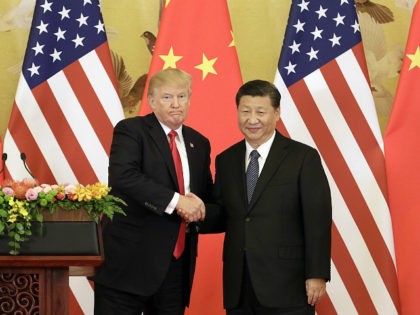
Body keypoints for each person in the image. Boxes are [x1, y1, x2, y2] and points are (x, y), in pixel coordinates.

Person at [197, 80, 332, 315]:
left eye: (261, 112)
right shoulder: (226, 159)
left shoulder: (303, 158)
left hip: (288, 284)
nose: (252, 120)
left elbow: (317, 220)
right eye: (245, 111)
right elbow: (223, 214)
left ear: (277, 113)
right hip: (239, 285)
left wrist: (317, 274)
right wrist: (194, 211)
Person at [92, 68, 212, 315]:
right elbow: (123, 177)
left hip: (175, 268)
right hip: (128, 265)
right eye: (167, 97)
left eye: (182, 96)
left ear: (190, 99)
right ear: (152, 101)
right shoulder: (131, 130)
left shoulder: (199, 143)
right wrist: (177, 201)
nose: (176, 104)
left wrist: (202, 208)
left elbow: (204, 197)